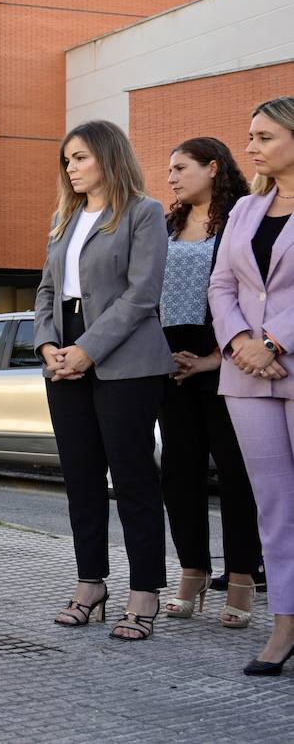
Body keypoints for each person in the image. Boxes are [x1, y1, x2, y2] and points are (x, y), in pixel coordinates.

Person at [35, 120, 172, 641]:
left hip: (125, 360)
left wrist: (87, 351)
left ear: (109, 157)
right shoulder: (62, 219)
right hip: (63, 356)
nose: (71, 168)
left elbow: (142, 295)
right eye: (67, 160)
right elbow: (46, 289)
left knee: (133, 478)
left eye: (81, 157)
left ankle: (144, 592)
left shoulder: (144, 213)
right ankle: (90, 583)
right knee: (81, 478)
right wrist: (49, 345)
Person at [157, 138, 261, 628]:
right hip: (170, 363)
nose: (172, 177)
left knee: (236, 474)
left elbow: (247, 294)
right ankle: (192, 572)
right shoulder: (166, 224)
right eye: (170, 170)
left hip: (226, 357)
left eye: (181, 168)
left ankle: (241, 578)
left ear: (213, 167)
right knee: (179, 472)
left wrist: (213, 358)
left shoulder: (243, 218)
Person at [209, 96, 294, 675]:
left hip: (286, 360)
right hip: (245, 375)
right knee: (274, 506)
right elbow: (221, 284)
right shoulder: (243, 209)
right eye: (249, 135)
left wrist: (276, 341)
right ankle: (285, 623)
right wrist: (241, 341)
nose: (251, 147)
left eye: (263, 136)